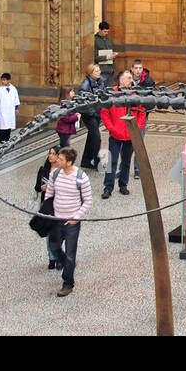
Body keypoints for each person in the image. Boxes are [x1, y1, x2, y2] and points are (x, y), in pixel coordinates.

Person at [44, 146, 93, 297]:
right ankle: (66, 263)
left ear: (69, 162)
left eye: (61, 159)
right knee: (53, 245)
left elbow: (88, 201)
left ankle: (67, 282)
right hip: (56, 219)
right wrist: (48, 212)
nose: (57, 160)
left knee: (71, 252)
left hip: (72, 222)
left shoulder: (81, 177)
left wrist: (76, 217)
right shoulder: (56, 174)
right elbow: (50, 194)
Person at [100, 70, 145, 199]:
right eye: (129, 78)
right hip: (115, 134)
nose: (131, 80)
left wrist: (137, 128)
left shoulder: (135, 94)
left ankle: (123, 185)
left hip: (129, 134)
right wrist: (111, 128)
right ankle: (108, 187)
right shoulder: (112, 94)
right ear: (121, 80)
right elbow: (104, 113)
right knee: (112, 161)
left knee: (126, 161)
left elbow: (142, 112)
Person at [35, 145, 62, 269]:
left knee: (59, 234)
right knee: (50, 234)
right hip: (47, 205)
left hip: (60, 205)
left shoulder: (63, 172)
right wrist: (42, 187)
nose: (50, 156)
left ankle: (58, 256)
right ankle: (52, 258)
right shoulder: (43, 170)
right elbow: (37, 187)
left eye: (53, 153)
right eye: (49, 153)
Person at [77, 63, 105, 169]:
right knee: (96, 138)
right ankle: (98, 163)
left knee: (91, 137)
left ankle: (86, 160)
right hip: (89, 114)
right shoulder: (85, 85)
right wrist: (92, 112)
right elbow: (82, 101)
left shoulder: (100, 81)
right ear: (90, 73)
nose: (99, 72)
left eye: (99, 70)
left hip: (97, 112)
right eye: (96, 71)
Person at [0, 72, 19, 144]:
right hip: (2, 110)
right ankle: (2, 138)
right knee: (3, 124)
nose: (3, 82)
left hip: (10, 110)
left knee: (9, 124)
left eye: (4, 80)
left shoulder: (13, 89)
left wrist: (16, 108)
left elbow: (16, 99)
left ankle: (7, 137)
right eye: (2, 80)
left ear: (9, 80)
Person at [94, 21, 120, 85]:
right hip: (102, 69)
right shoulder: (94, 40)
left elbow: (111, 49)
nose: (106, 33)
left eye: (107, 31)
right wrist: (107, 57)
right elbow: (94, 57)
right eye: (105, 31)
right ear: (100, 30)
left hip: (111, 68)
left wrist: (113, 55)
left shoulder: (109, 39)